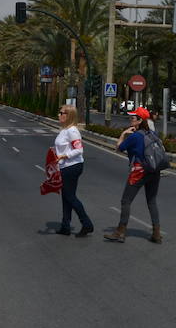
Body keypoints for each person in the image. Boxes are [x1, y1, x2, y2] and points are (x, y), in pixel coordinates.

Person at [105, 107, 162, 244]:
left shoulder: (135, 136)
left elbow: (119, 148)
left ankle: (120, 231)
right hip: (154, 171)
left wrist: (123, 134)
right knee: (151, 201)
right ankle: (156, 234)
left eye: (133, 118)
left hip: (139, 171)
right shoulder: (152, 134)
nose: (130, 119)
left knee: (126, 201)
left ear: (140, 121)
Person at [53, 104, 93, 237]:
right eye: (59, 112)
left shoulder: (72, 131)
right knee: (66, 196)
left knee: (70, 196)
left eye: (62, 112)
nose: (59, 115)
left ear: (69, 115)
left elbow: (79, 149)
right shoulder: (64, 130)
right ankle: (65, 226)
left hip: (72, 166)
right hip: (65, 166)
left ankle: (87, 224)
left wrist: (64, 155)